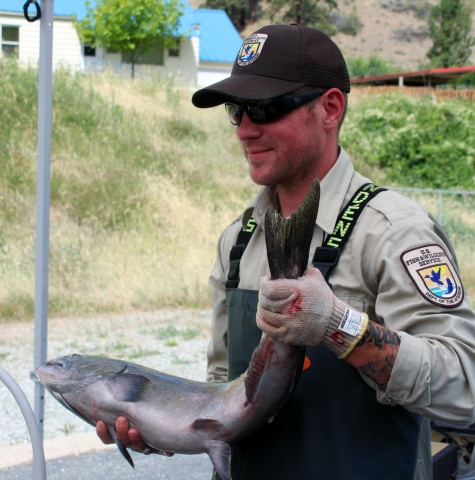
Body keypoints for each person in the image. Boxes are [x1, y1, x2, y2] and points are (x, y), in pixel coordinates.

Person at [97, 24, 475, 479]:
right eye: (237, 111)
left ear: (330, 108)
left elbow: (465, 384)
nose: (246, 130)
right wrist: (165, 428)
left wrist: (341, 325)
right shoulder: (237, 240)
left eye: (266, 107)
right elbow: (222, 391)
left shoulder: (394, 232)